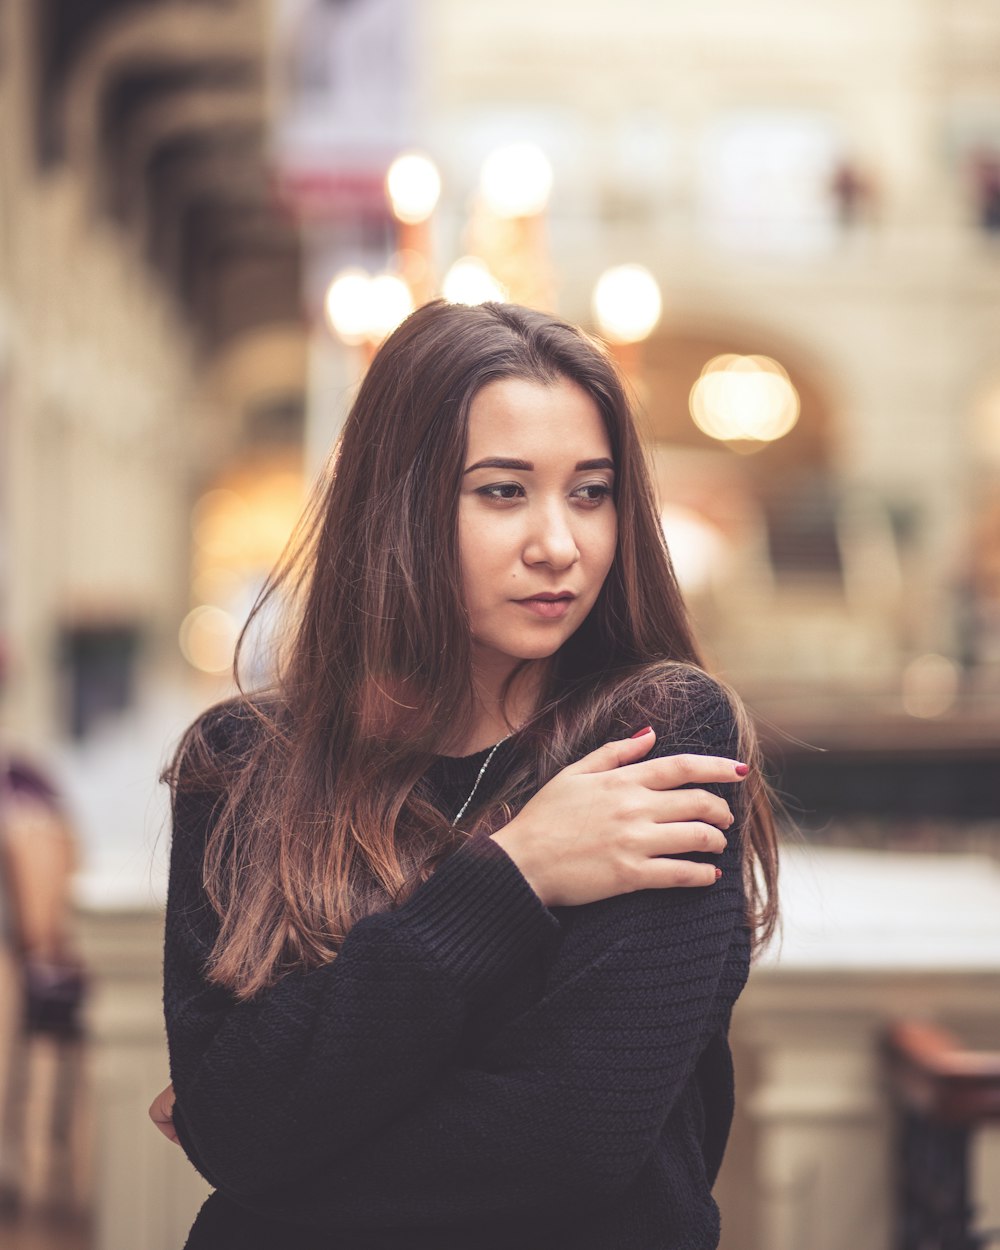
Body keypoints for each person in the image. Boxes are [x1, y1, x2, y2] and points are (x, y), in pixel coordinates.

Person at [150, 300, 779, 1250]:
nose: (558, 545)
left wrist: (262, 1180)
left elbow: (572, 1144)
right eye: (501, 491)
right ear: (396, 502)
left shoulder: (657, 734)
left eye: (591, 491)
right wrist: (512, 876)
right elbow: (244, 1119)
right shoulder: (242, 764)